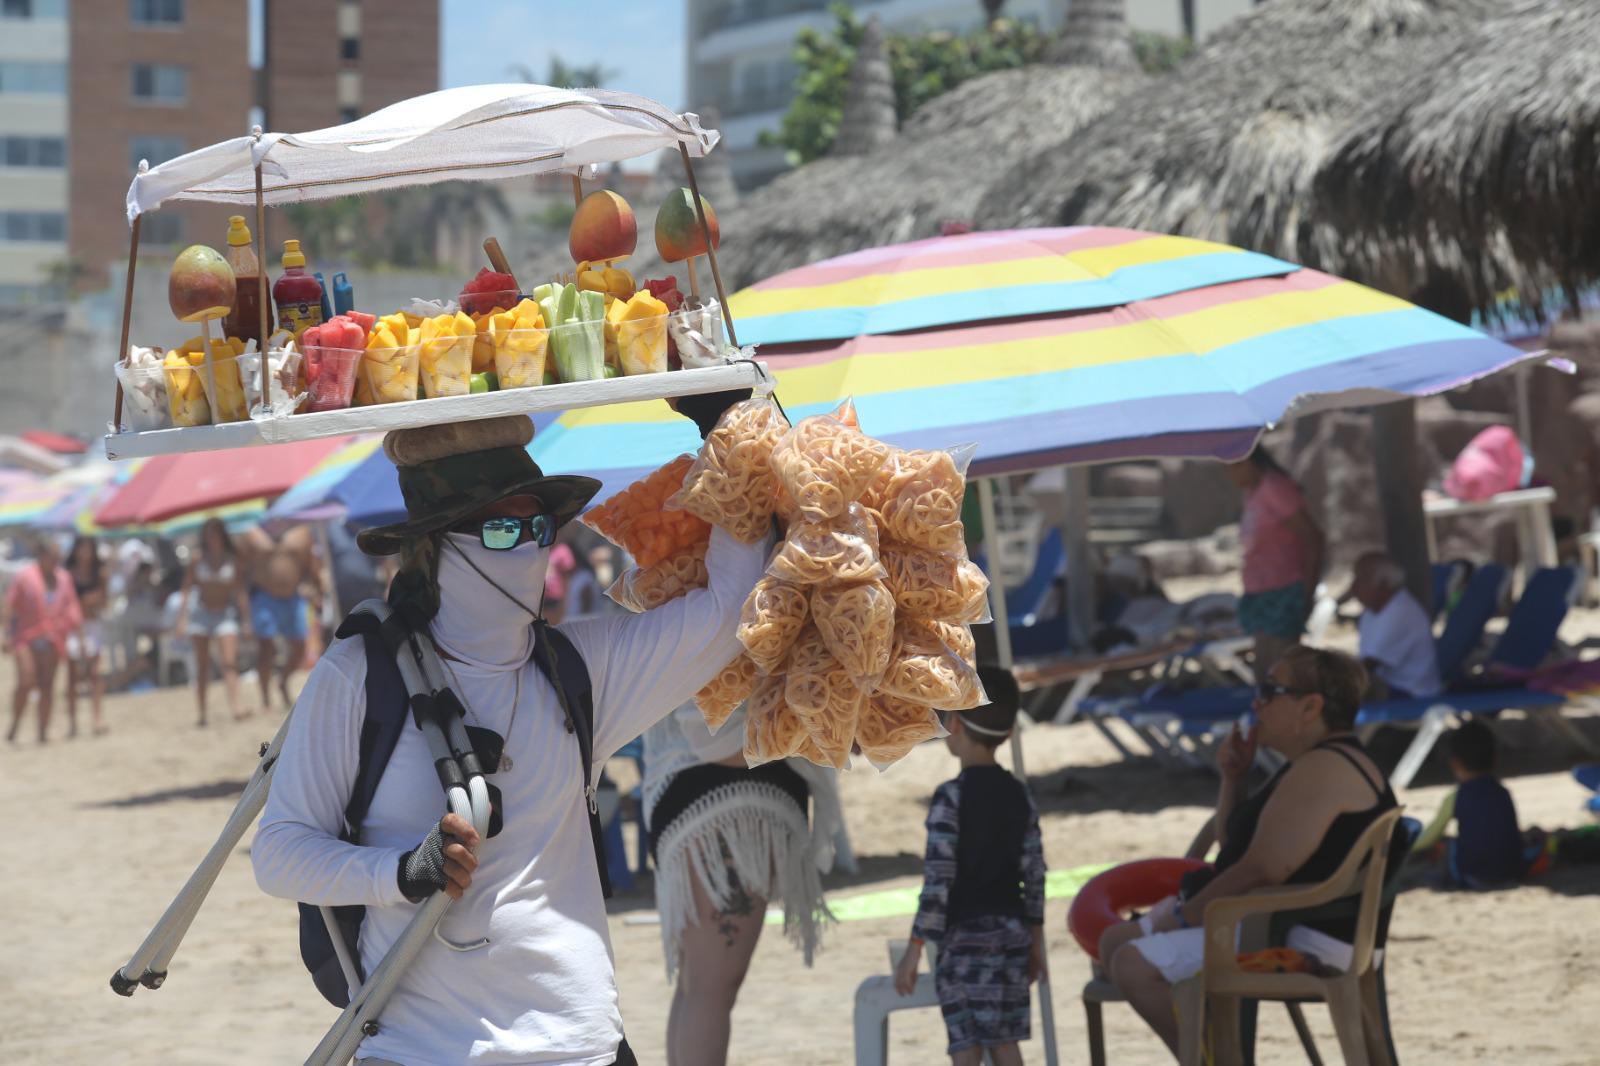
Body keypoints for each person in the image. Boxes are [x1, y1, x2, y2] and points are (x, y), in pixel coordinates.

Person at [253, 402, 764, 1066]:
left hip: (581, 1045)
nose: (528, 545)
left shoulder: (581, 668)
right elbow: (281, 854)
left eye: (539, 524)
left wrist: (725, 428)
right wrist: (403, 872)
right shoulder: (357, 676)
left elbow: (732, 607)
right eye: (500, 528)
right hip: (420, 1052)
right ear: (437, 544)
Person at [1098, 646, 1396, 1058]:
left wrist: (1187, 915)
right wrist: (1233, 778)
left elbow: (1262, 869)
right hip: (1286, 920)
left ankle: (1215, 1059)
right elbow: (1237, 848)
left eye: (1270, 691)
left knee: (1131, 963)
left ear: (1311, 707)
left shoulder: (1323, 769)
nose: (1257, 703)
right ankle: (1219, 1052)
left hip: (1300, 934)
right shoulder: (1316, 762)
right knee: (1114, 942)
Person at [643, 699, 839, 1066]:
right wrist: (818, 730)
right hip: (727, 797)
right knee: (710, 990)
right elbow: (710, 734)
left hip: (702, 795)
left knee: (698, 987)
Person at [894, 666, 1047, 1066]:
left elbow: (938, 880)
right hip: (1013, 935)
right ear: (1011, 733)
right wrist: (1037, 940)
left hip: (963, 941)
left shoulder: (950, 798)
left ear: (955, 723)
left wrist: (914, 948)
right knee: (1006, 1041)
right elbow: (1034, 873)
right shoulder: (1020, 795)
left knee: (966, 1046)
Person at [1226, 447, 1324, 676]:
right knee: (1264, 672)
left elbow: (1314, 538)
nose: (1229, 475)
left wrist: (1307, 594)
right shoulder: (1252, 492)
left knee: (1282, 673)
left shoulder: (1275, 488)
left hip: (1284, 592)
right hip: (1261, 595)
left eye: (1233, 466)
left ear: (1250, 462)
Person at [1414, 720, 1539, 888]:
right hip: (1512, 872)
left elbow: (1429, 838)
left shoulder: (1456, 796)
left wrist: (1403, 848)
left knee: (1446, 844)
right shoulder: (1503, 793)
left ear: (1455, 763)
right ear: (1495, 758)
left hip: (1472, 876)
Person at [239, 522, 324, 711]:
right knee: (266, 647)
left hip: (293, 596)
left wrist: (315, 589)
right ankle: (265, 698)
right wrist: (244, 612)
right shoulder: (252, 531)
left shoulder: (301, 531)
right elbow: (241, 571)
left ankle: (283, 681)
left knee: (300, 647)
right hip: (263, 596)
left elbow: (311, 565)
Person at [4, 535, 80, 744]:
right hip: (26, 637)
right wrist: (5, 634)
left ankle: (42, 732)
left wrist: (76, 632)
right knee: (26, 681)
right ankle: (15, 724)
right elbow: (10, 605)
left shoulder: (63, 578)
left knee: (47, 685)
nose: (56, 560)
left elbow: (72, 607)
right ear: (42, 555)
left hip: (53, 637)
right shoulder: (25, 577)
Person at [176, 518, 250, 727]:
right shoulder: (198, 559)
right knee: (202, 666)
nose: (212, 538)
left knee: (229, 662)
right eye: (209, 533)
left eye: (215, 533)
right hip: (201, 613)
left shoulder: (231, 559)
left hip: (224, 613)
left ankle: (236, 706)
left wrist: (246, 621)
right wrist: (181, 619)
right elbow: (186, 588)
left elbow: (240, 591)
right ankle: (202, 711)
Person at [1346, 550, 1442, 701]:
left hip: (1411, 693)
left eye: (1362, 580)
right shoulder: (1373, 609)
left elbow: (1369, 665)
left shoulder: (1402, 612)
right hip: (1390, 685)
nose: (1353, 586)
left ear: (1384, 585)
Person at [65, 536, 110, 737]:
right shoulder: (68, 575)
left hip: (93, 625)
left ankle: (97, 717)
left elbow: (104, 601)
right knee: (73, 676)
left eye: (88, 549)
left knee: (95, 674)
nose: (85, 553)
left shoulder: (99, 574)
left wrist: (86, 602)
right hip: (73, 627)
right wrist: (85, 602)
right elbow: (67, 603)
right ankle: (73, 721)